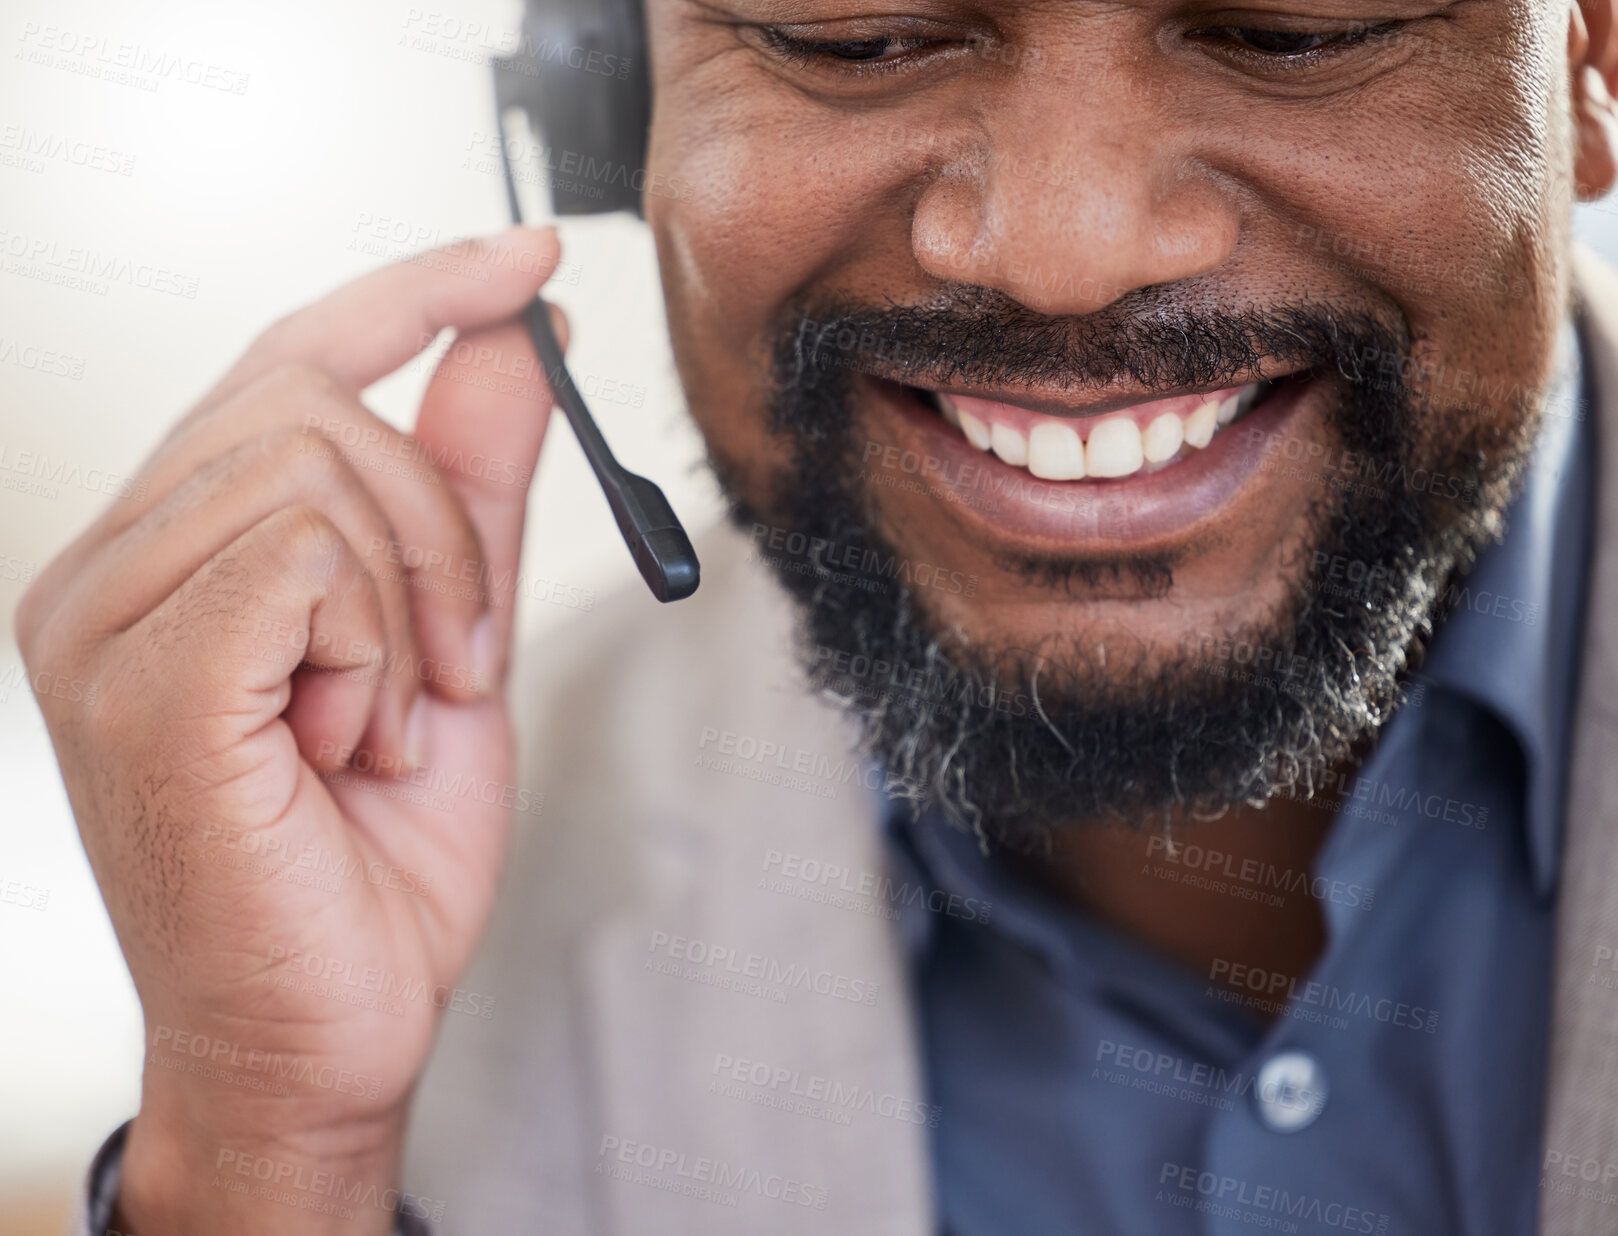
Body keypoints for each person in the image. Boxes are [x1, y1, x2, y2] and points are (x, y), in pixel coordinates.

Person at [20, 0, 1618, 1232]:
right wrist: (268, 1155)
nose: (1066, 251)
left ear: (1587, 57)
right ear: (608, 93)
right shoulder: (395, 873)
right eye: (853, 34)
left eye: (1290, 30)